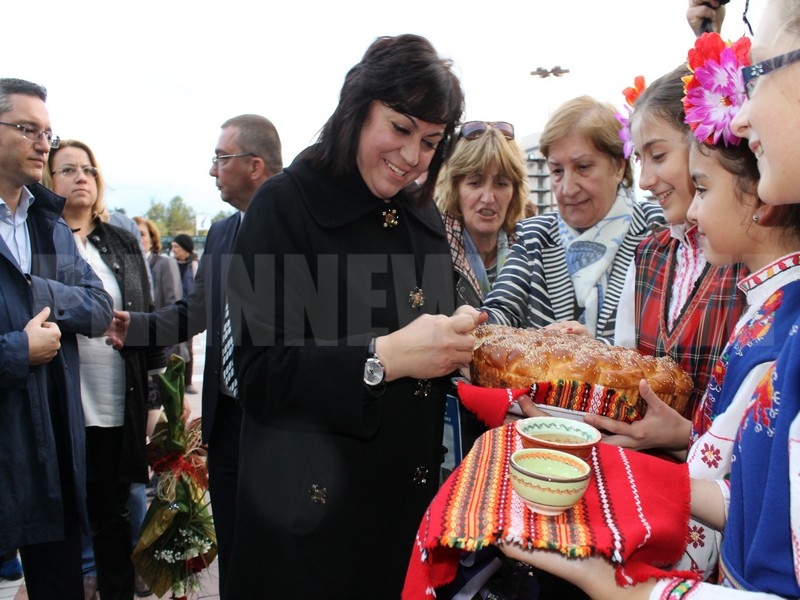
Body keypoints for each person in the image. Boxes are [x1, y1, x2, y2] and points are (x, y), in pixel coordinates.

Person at [501, 2, 800, 595]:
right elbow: (753, 494)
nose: (744, 118)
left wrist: (624, 591)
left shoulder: (775, 314)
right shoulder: (703, 276)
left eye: (664, 159)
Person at [225, 34, 482, 598]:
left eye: (431, 141)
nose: (412, 156)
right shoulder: (283, 205)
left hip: (400, 520)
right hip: (307, 528)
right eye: (399, 127)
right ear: (356, 109)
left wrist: (483, 346)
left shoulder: (423, 218)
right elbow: (260, 373)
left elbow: (434, 346)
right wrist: (381, 358)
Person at [107, 114, 283, 598]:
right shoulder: (225, 233)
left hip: (282, 422)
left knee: (278, 546)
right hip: (226, 424)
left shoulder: (301, 224)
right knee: (232, 541)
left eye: (219, 159)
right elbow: (198, 310)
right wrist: (137, 326)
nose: (211, 171)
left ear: (254, 165)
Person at [0, 78, 113, 600]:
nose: (43, 143)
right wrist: (19, 350)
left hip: (53, 459)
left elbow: (97, 308)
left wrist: (36, 291)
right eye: (27, 129)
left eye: (48, 132)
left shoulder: (48, 223)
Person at [41, 139, 160, 600]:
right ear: (49, 181)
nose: (81, 177)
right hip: (60, 407)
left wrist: (156, 400)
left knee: (114, 520)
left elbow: (148, 322)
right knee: (63, 524)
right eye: (68, 169)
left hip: (115, 402)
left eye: (88, 169)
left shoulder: (121, 240)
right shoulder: (35, 238)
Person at [606, 63, 747, 435]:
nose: (646, 180)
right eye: (640, 159)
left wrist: (683, 435)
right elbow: (625, 357)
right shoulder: (648, 254)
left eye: (658, 156)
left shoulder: (748, 258)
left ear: (704, 144)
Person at [481, 95, 665, 340]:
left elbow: (667, 341)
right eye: (557, 171)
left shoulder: (659, 233)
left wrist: (595, 352)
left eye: (583, 167)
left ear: (619, 166)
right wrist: (474, 322)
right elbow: (500, 311)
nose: (567, 188)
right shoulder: (534, 237)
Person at [434, 120, 529, 472]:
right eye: (475, 182)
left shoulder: (531, 247)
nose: (488, 197)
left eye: (501, 183)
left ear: (515, 189)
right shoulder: (430, 252)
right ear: (455, 187)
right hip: (453, 438)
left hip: (521, 436)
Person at [170, 232, 198, 393]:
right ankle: (175, 383)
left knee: (187, 346)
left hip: (189, 311)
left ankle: (187, 382)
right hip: (173, 309)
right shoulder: (170, 264)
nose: (173, 250)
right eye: (172, 246)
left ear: (185, 248)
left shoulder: (194, 266)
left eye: (176, 247)